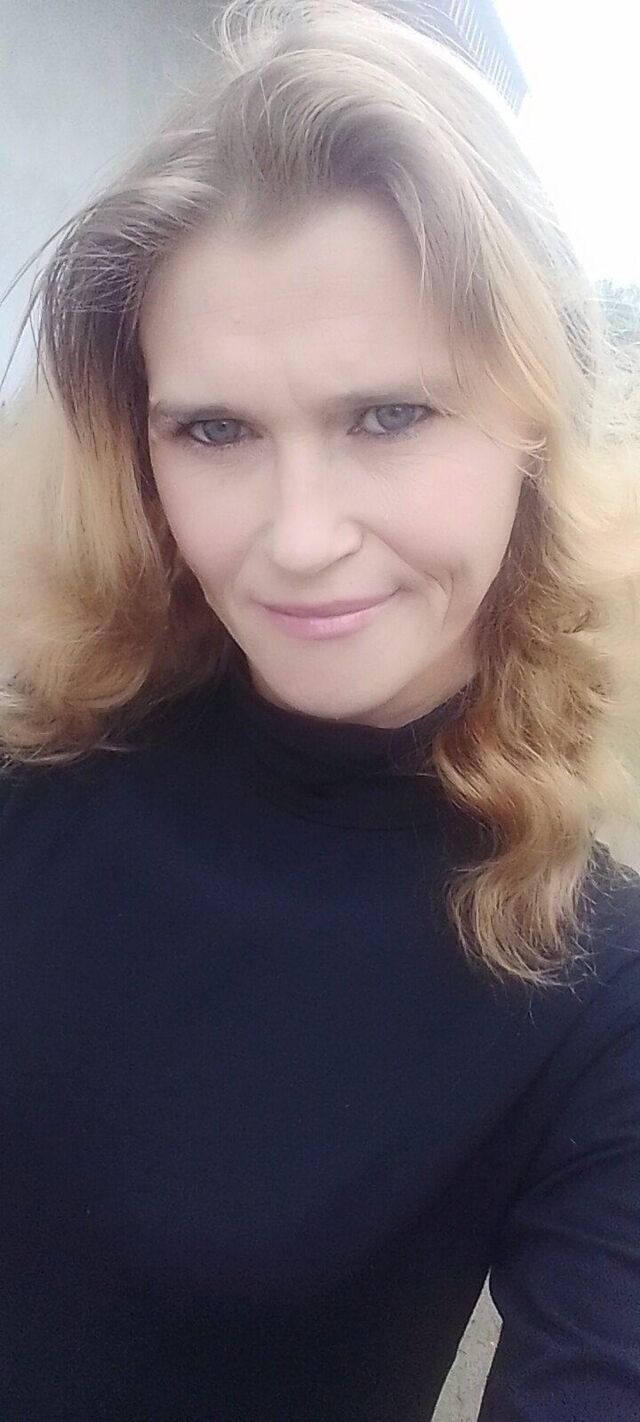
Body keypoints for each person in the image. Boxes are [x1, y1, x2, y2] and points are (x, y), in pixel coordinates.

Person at [1, 1, 639, 1418]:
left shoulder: (594, 994)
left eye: (388, 416)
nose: (298, 538)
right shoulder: (36, 765)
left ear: (533, 423)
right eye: (215, 430)